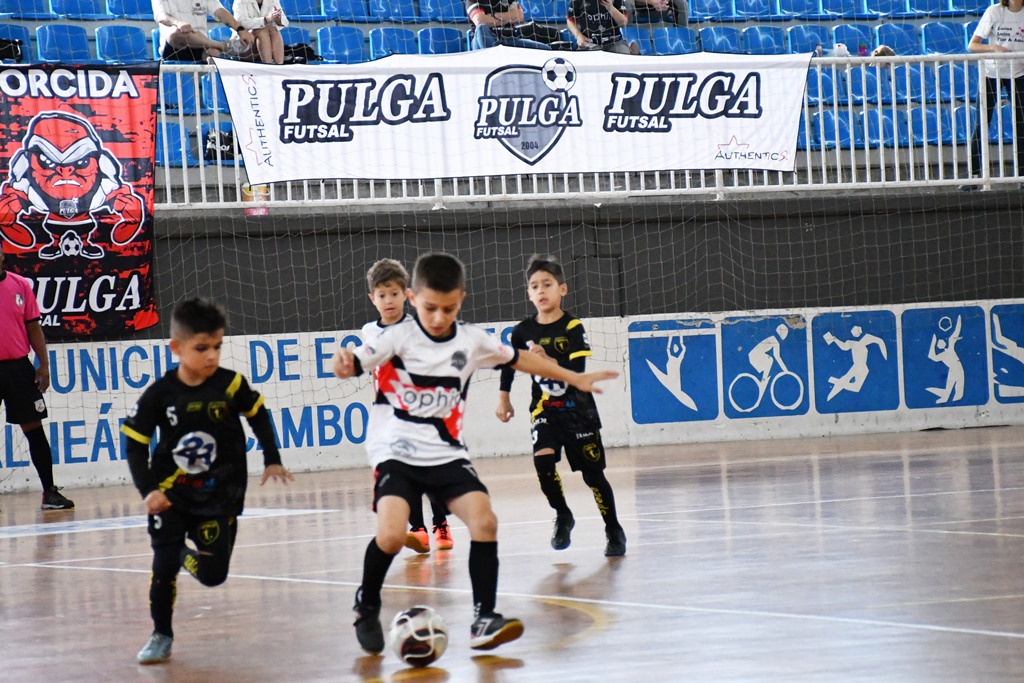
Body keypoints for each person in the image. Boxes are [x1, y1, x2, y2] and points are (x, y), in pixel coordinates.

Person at [332, 252, 616, 655]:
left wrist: (573, 376)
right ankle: (367, 604)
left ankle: (484, 618)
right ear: (413, 298)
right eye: (429, 308)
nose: (437, 317)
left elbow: (520, 359)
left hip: (446, 453)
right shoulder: (395, 337)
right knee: (393, 534)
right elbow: (355, 363)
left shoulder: (472, 339)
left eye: (448, 308)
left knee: (484, 520)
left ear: (460, 300)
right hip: (395, 449)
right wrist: (343, 364)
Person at [122, 298, 293, 665]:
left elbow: (258, 415)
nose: (212, 356)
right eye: (202, 348)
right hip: (170, 495)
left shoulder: (231, 385)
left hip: (221, 496)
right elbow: (135, 445)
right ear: (176, 348)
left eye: (217, 346)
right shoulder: (160, 394)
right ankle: (161, 634)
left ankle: (182, 555)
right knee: (162, 566)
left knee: (214, 576)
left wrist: (272, 458)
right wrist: (149, 489)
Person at [495, 255, 627, 558]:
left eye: (547, 285)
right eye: (534, 286)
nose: (541, 291)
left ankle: (613, 529)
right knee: (543, 462)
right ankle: (563, 514)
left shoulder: (573, 326)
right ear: (528, 293)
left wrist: (546, 361)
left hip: (578, 411)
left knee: (593, 476)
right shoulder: (522, 332)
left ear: (562, 289)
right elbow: (509, 364)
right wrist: (504, 397)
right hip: (544, 410)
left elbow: (576, 369)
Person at [361, 258, 454, 555]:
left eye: (394, 293)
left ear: (407, 295)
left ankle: (441, 524)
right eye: (381, 294)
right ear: (372, 299)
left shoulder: (417, 327)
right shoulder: (369, 331)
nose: (388, 300)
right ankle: (418, 529)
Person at [0, 254, 74, 510]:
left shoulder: (20, 285)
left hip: (19, 368)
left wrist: (44, 364)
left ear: (2, 255)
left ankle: (49, 493)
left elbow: (33, 327)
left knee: (34, 429)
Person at [966, 0, 1024, 186]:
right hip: (991, 73)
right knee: (981, 123)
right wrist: (993, 48)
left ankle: (1022, 176)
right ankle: (974, 176)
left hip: (1018, 72)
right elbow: (973, 45)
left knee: (1021, 124)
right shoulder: (994, 11)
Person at [153, 0, 255, 63]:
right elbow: (160, 16)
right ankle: (225, 46)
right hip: (173, 48)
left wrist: (240, 29)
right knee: (176, 33)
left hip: (199, 45)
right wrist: (178, 22)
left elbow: (220, 11)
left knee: (214, 54)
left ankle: (214, 94)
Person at [467, 0, 551, 51]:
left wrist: (495, 16)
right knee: (482, 28)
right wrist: (507, 17)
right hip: (484, 40)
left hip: (508, 39)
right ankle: (494, 57)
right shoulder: (472, 0)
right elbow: (480, 21)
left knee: (546, 49)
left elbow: (519, 16)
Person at [567, 0, 638, 55]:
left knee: (625, 60)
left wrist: (610, 8)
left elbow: (623, 23)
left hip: (614, 42)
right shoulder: (577, 1)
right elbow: (570, 20)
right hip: (590, 43)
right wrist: (579, 36)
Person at [232, 0, 288, 65]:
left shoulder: (273, 1)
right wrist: (265, 20)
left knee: (273, 29)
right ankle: (268, 65)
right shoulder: (240, 1)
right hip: (243, 47)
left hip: (262, 47)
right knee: (261, 31)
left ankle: (279, 64)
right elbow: (240, 24)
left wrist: (279, 20)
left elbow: (285, 22)